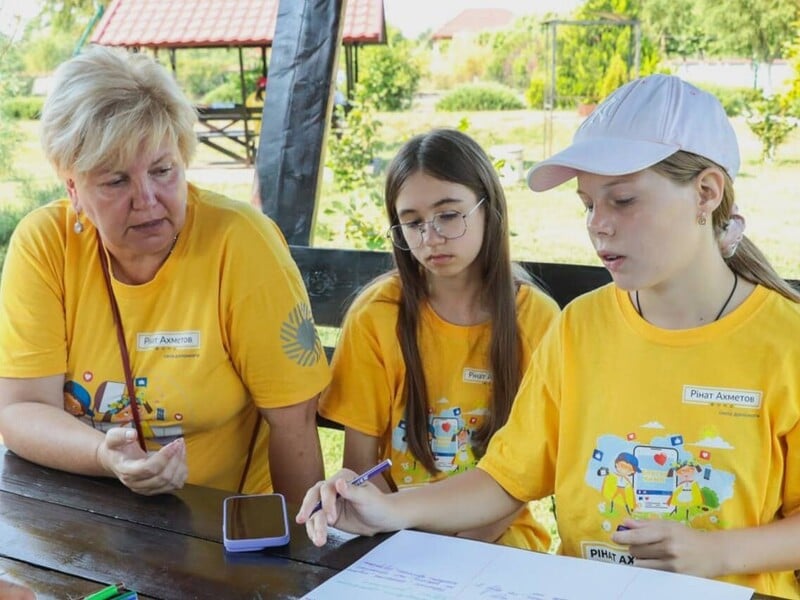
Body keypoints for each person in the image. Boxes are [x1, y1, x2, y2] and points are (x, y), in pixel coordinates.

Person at [297, 75, 800, 598]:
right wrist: (387, 509)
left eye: (622, 200)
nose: (597, 225)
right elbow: (505, 479)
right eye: (587, 204)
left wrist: (719, 553)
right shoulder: (580, 325)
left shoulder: (786, 341)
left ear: (706, 192)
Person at [0, 46, 330, 502]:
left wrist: (300, 561)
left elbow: (293, 423)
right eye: (116, 181)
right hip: (80, 519)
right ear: (73, 188)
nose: (147, 199)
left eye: (162, 170)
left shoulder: (241, 243)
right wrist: (106, 455)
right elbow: (22, 409)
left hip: (215, 529)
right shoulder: (45, 243)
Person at [318, 128, 559, 550]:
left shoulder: (536, 319)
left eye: (449, 215)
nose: (430, 238)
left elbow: (527, 476)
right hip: (394, 540)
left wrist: (460, 544)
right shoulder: (377, 316)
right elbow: (360, 470)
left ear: (489, 208)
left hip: (501, 539)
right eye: (412, 223)